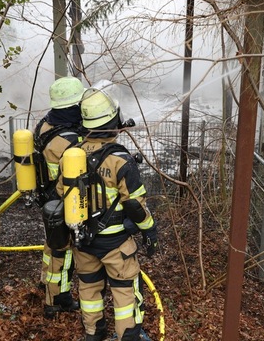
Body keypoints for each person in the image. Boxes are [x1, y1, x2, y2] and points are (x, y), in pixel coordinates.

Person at [74, 88, 159, 341]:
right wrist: (150, 232)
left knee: (89, 289)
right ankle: (128, 336)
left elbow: (62, 192)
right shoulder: (120, 160)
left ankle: (93, 334)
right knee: (124, 293)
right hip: (116, 244)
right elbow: (135, 205)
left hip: (83, 242)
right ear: (112, 121)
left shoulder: (74, 155)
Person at [37, 76, 86, 318]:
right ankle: (54, 300)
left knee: (51, 247)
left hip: (47, 199)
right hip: (62, 202)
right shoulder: (70, 141)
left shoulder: (46, 125)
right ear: (73, 106)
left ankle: (50, 286)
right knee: (61, 251)